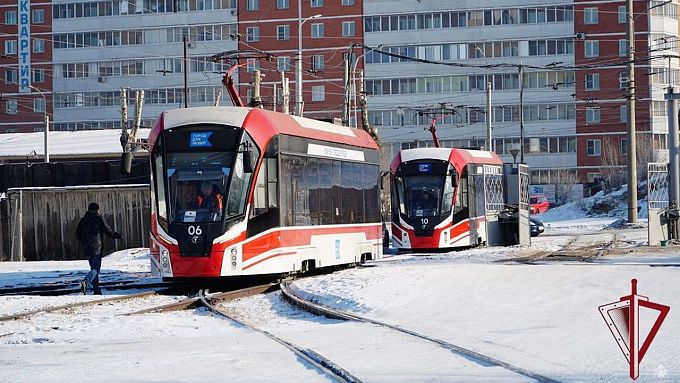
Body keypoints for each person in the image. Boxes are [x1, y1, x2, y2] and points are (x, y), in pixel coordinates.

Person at [76, 202, 122, 295]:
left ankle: (96, 289)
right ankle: (86, 281)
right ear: (97, 210)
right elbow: (108, 231)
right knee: (96, 269)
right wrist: (118, 236)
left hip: (86, 248)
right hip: (96, 247)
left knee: (93, 268)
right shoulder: (98, 218)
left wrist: (85, 241)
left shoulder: (83, 220)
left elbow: (78, 234)